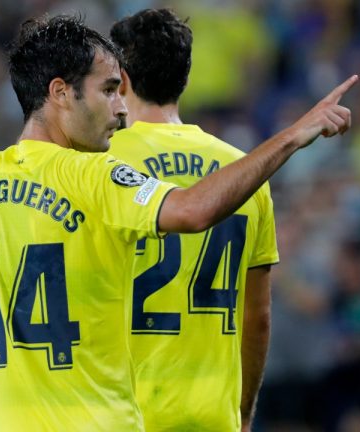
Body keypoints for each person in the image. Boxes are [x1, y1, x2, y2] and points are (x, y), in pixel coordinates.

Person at [0, 14, 356, 432]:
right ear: (62, 93)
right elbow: (193, 212)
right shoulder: (93, 175)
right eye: (108, 90)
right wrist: (292, 136)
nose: (121, 110)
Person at [108, 8, 276, 431]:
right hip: (212, 416)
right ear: (184, 78)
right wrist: (243, 411)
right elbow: (257, 317)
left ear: (121, 80)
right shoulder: (243, 171)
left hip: (125, 414)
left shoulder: (97, 164)